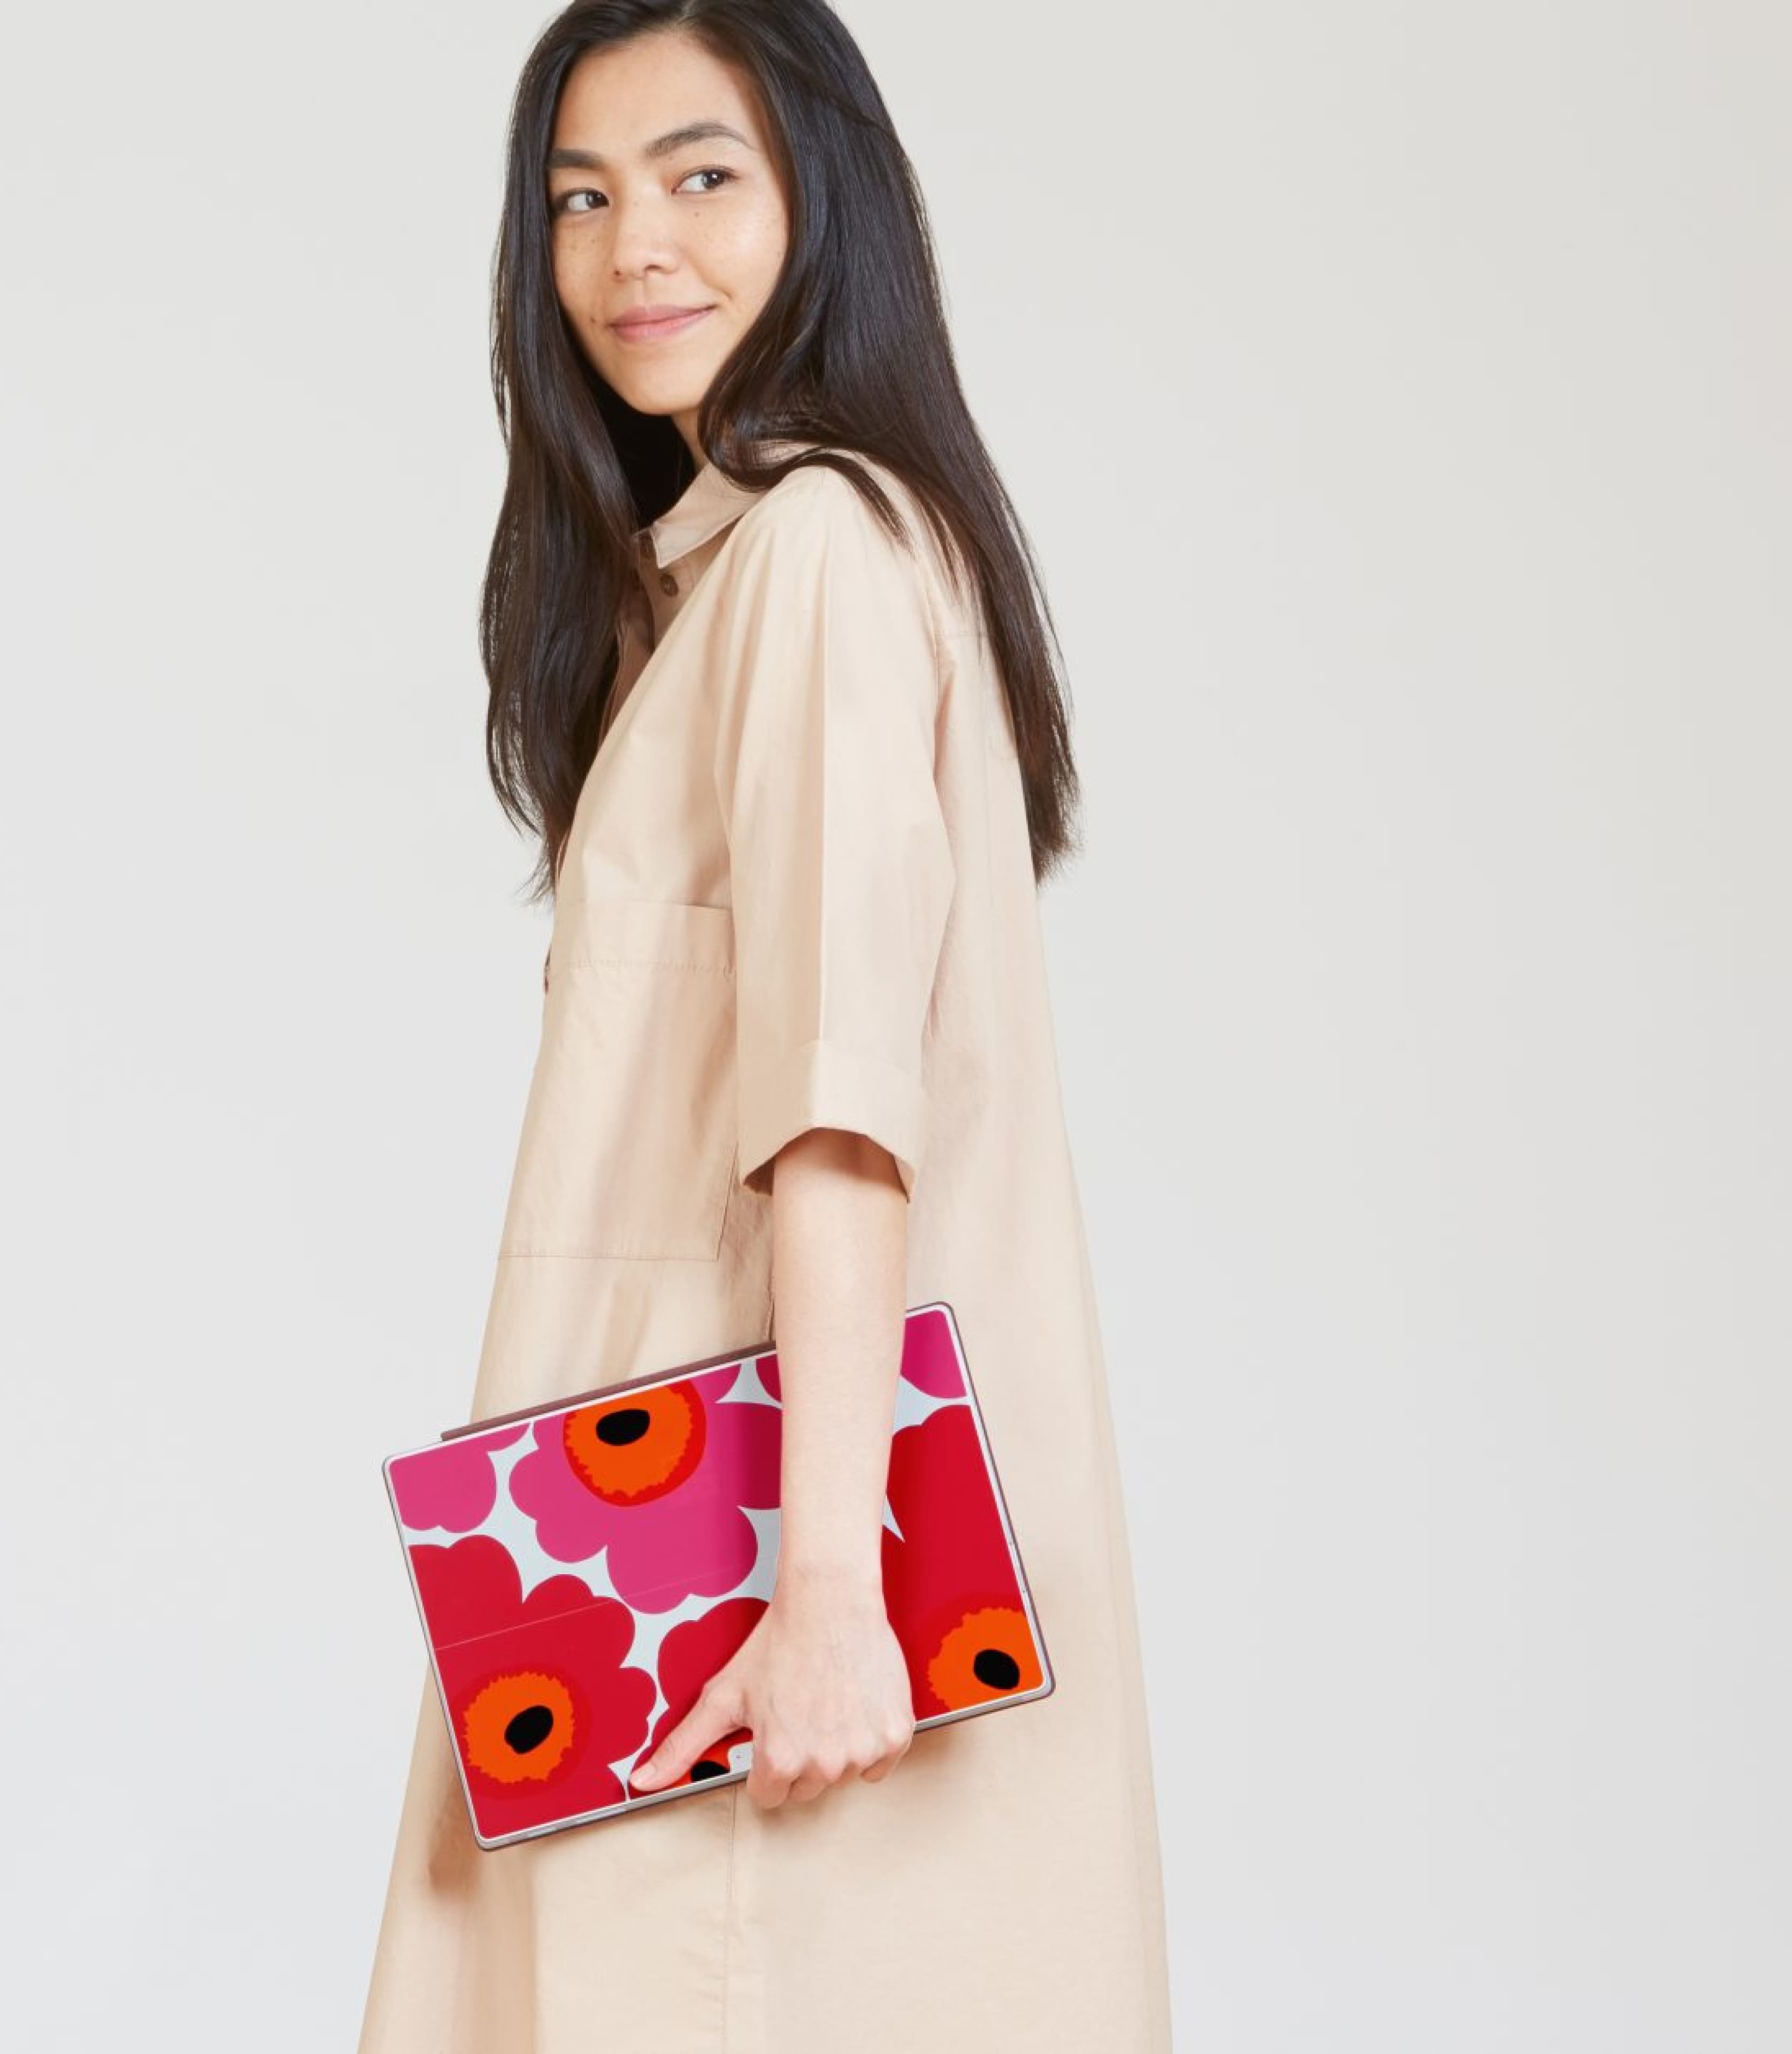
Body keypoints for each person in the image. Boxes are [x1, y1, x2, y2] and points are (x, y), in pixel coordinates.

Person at [358, 3, 1172, 2048]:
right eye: (582, 194)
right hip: (648, 1551)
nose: (638, 243)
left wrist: (828, 1602)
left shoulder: (814, 549)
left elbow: (839, 1120)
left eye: (702, 175)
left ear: (828, 206)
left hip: (736, 1581)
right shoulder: (738, 574)